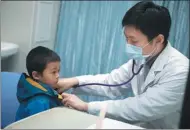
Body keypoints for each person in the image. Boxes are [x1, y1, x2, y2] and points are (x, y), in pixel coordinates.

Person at [58, 1, 189, 129]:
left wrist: (87, 106)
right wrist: (74, 81)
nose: (128, 45)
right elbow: (111, 82)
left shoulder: (180, 71)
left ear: (158, 40)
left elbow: (141, 107)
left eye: (134, 40)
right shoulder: (141, 59)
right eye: (127, 38)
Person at [16, 46, 63, 121]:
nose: (58, 76)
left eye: (58, 71)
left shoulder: (43, 90)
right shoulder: (39, 102)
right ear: (36, 75)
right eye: (54, 72)